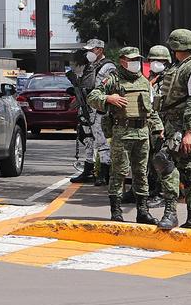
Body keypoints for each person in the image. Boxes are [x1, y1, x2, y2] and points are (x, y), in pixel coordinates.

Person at [88, 47, 163, 224]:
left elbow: (150, 109)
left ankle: (142, 212)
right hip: (122, 132)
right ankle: (116, 211)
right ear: (122, 61)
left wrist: (158, 128)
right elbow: (92, 96)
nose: (135, 63)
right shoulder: (113, 79)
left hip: (142, 133)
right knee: (119, 172)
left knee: (141, 173)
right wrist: (108, 98)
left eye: (137, 59)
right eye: (132, 60)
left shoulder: (144, 81)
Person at [156, 29, 191, 230]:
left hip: (186, 126)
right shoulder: (180, 66)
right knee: (186, 170)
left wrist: (189, 133)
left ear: (177, 46)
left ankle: (173, 214)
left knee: (167, 161)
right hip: (174, 124)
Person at [83, 38, 116, 186]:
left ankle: (104, 173)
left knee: (101, 141)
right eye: (88, 50)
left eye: (92, 50)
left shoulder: (108, 67)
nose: (89, 53)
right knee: (88, 138)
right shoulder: (90, 65)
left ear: (100, 50)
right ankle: (88, 169)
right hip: (88, 107)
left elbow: (109, 87)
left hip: (100, 109)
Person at [144, 45, 173, 206]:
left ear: (166, 61)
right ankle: (152, 190)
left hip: (164, 124)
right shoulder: (151, 78)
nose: (155, 63)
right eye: (152, 60)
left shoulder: (169, 79)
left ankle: (163, 194)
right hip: (151, 125)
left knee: (162, 159)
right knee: (150, 159)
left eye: (159, 60)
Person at [66, 48, 97, 184]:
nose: (73, 66)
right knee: (87, 140)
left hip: (93, 112)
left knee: (97, 142)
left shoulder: (90, 72)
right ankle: (89, 169)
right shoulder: (80, 74)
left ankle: (98, 171)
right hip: (86, 112)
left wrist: (78, 92)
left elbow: (88, 91)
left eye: (75, 63)